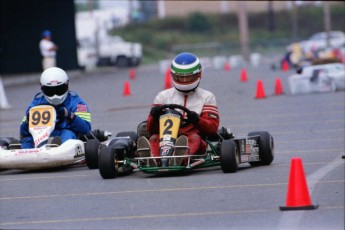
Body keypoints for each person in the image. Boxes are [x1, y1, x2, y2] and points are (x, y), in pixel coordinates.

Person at [138, 52, 220, 166]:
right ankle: (154, 160)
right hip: (166, 139)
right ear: (173, 76)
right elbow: (151, 129)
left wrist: (197, 120)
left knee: (194, 138)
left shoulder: (207, 97)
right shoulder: (163, 96)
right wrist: (154, 116)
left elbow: (212, 129)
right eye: (181, 77)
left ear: (198, 74)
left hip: (193, 139)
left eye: (188, 77)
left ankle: (180, 159)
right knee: (154, 138)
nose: (185, 81)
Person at [20, 67, 91, 148]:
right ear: (42, 87)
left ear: (67, 84)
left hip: (65, 134)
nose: (55, 96)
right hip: (39, 136)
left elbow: (86, 130)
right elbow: (23, 132)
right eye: (50, 91)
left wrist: (69, 115)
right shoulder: (36, 103)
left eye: (59, 89)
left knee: (67, 134)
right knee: (27, 141)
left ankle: (61, 151)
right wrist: (27, 122)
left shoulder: (76, 103)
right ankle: (25, 156)